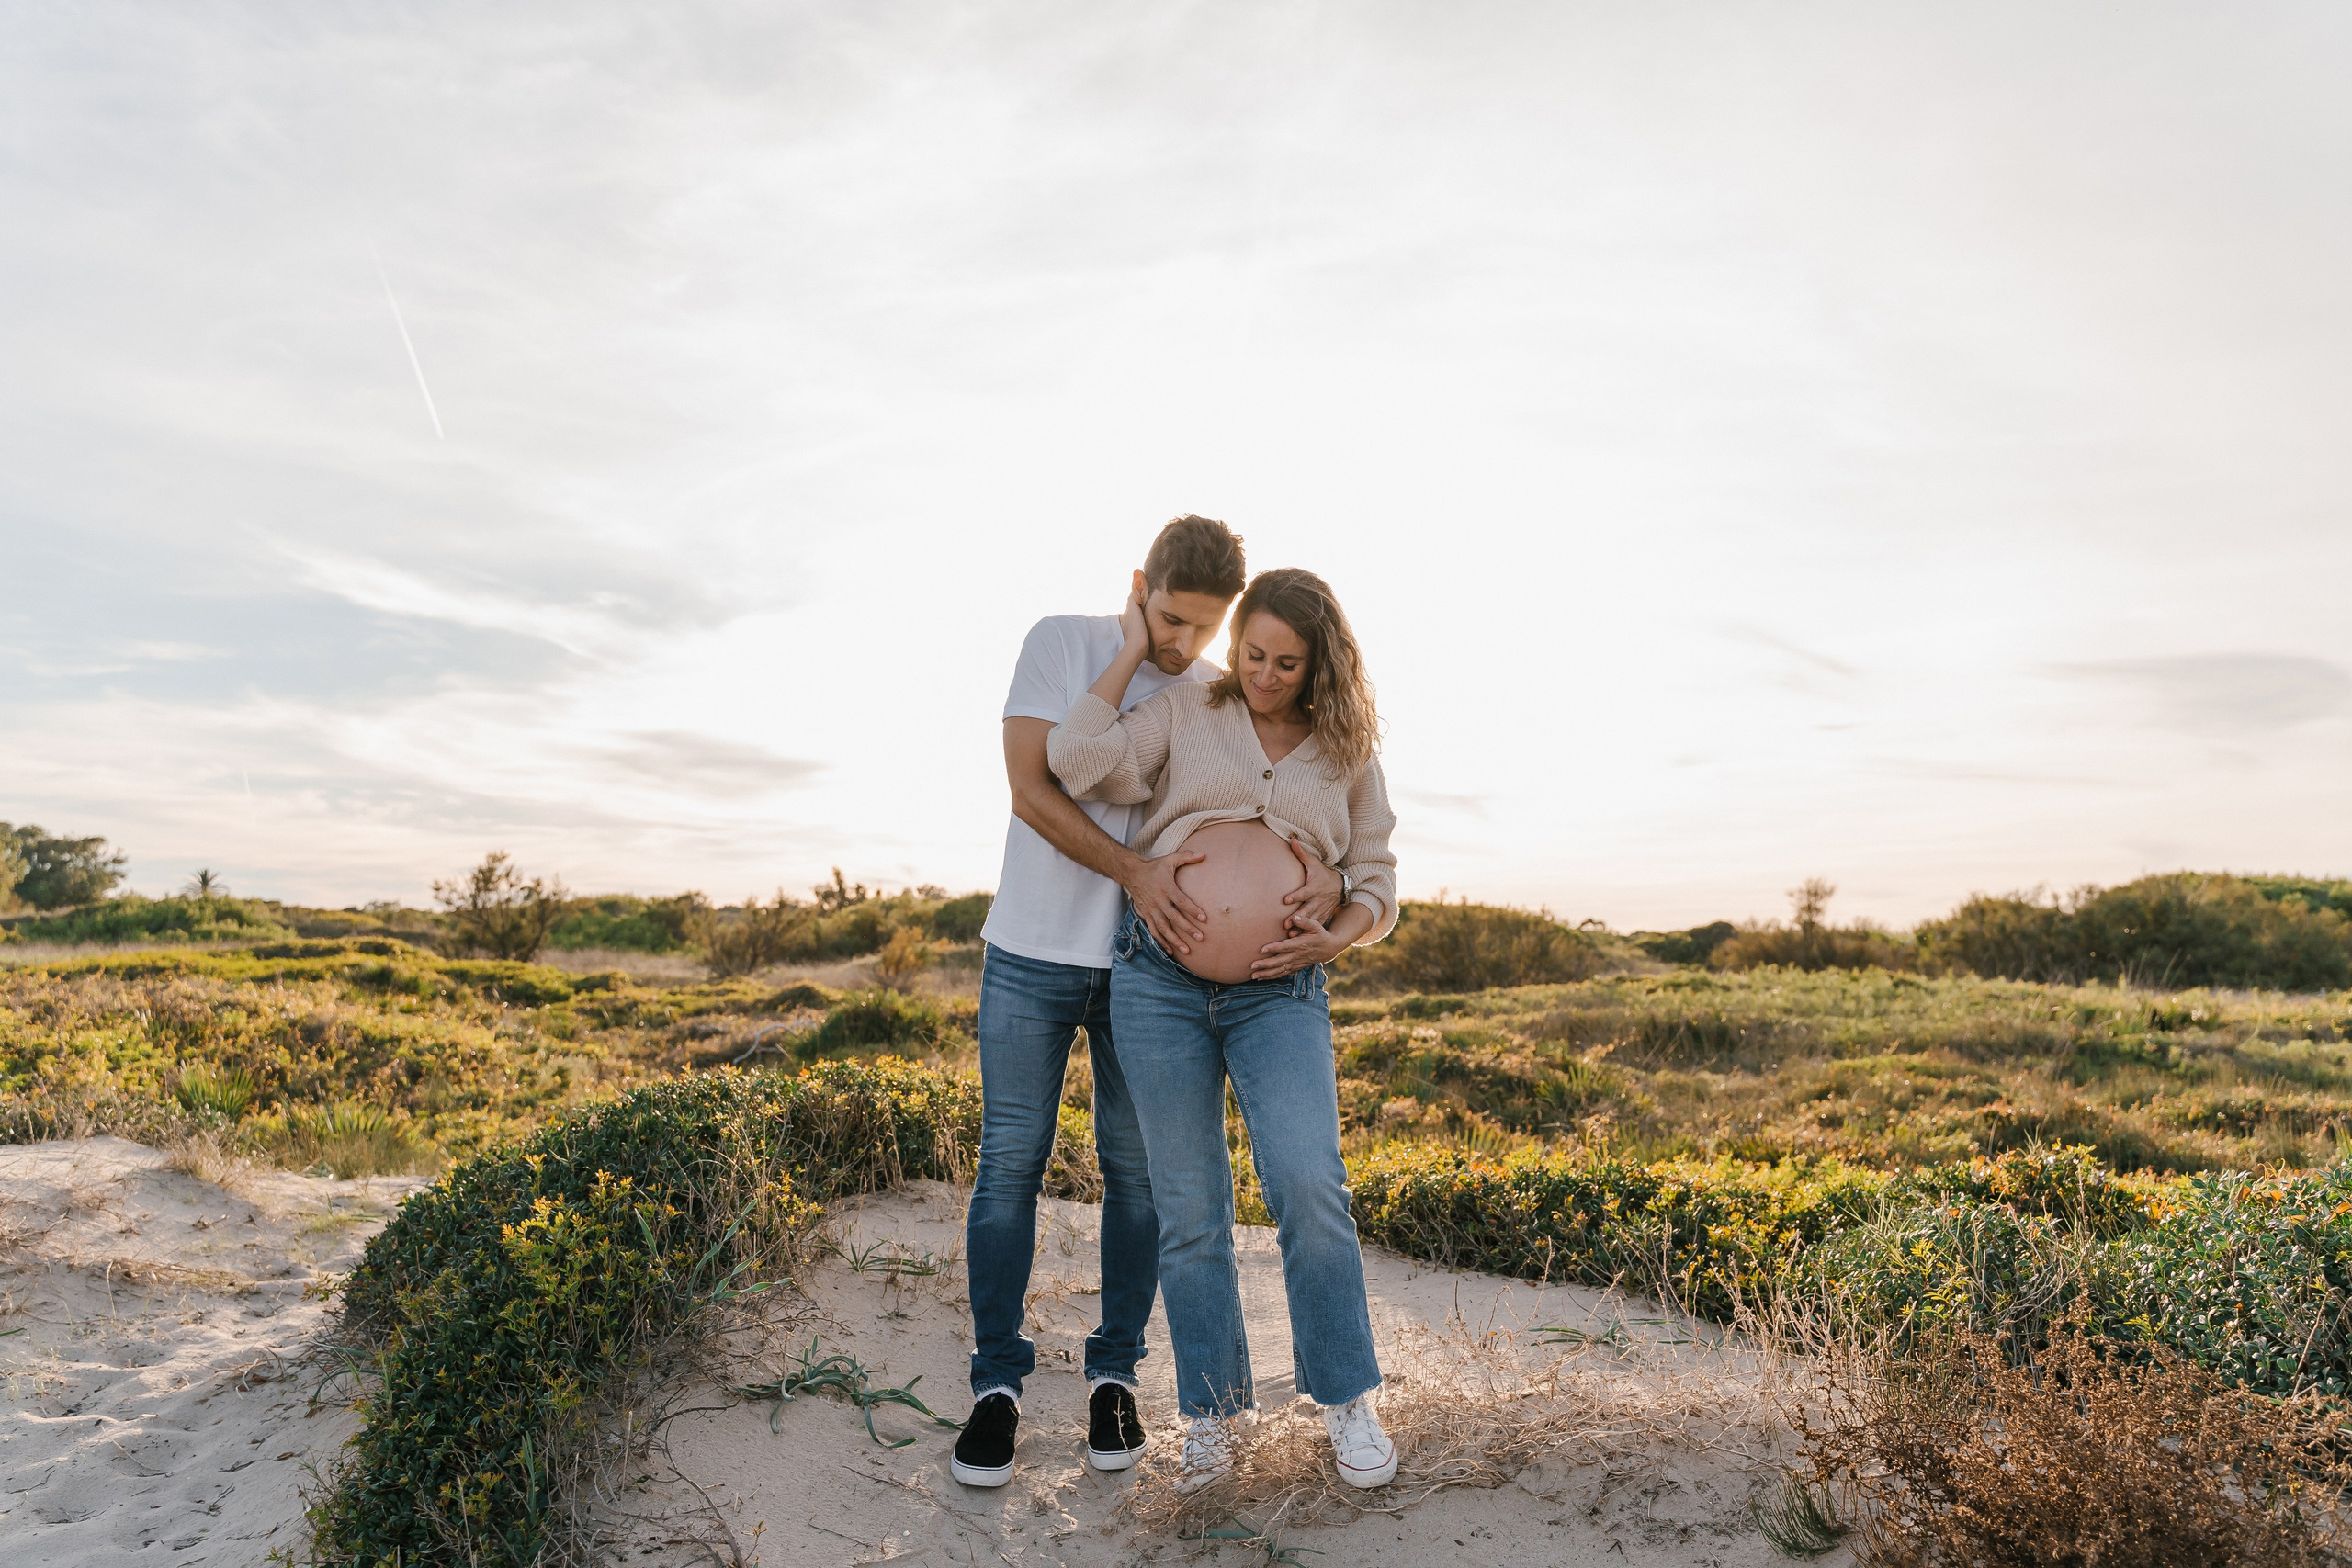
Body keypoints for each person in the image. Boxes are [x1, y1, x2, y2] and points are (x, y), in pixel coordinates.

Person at [953, 518, 1346, 1488]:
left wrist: (1329, 891)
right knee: (1010, 1163)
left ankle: (1113, 1374)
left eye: (1201, 630)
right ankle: (995, 1384)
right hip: (1032, 953)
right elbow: (1032, 790)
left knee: (1137, 1178)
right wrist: (1135, 868)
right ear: (1139, 587)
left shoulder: (1209, 695)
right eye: (1169, 620)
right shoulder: (1063, 643)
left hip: (1142, 973)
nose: (1182, 645)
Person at [1048, 566, 1402, 1492]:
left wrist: (1342, 927)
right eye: (1252, 654)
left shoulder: (1345, 746)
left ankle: (1344, 1398)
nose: (1264, 676)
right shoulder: (1186, 712)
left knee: (1307, 1185)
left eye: (1287, 663)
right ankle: (1211, 1412)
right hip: (1158, 984)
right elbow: (1076, 760)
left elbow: (1376, 875)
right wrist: (1132, 649)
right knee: (1190, 1206)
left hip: (1279, 992)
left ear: (1320, 663)